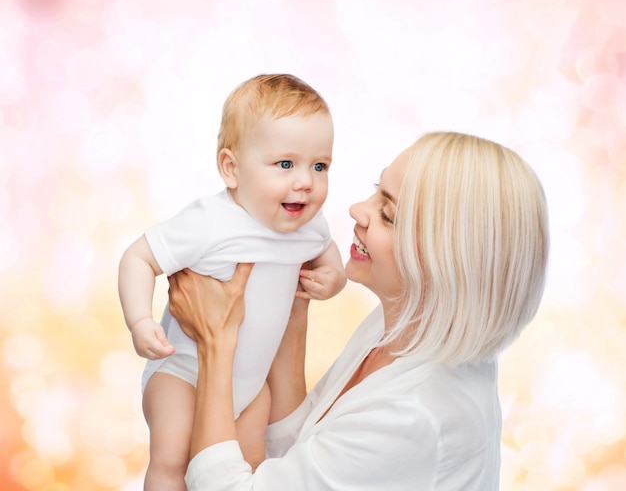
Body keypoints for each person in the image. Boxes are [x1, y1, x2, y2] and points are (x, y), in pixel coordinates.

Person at [167, 131, 550, 490]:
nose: (356, 210)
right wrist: (293, 314)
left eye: (388, 214)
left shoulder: (416, 415)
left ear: (447, 262)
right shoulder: (406, 324)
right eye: (375, 191)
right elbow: (305, 452)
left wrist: (216, 341)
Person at [118, 74, 347, 490]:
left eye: (320, 166)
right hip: (183, 373)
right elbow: (138, 257)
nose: (306, 181)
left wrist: (333, 280)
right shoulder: (210, 223)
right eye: (285, 164)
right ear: (231, 169)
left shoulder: (309, 225)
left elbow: (329, 257)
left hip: (250, 385)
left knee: (249, 468)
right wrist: (139, 321)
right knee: (172, 460)